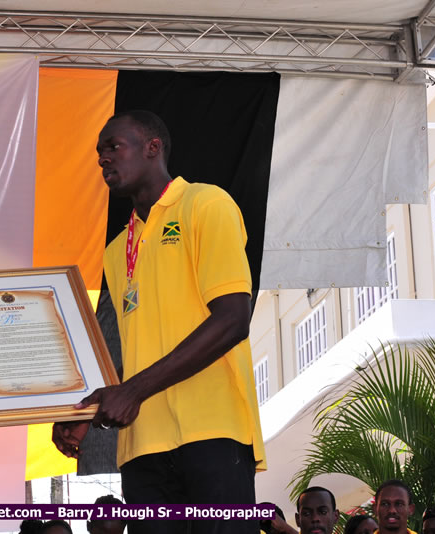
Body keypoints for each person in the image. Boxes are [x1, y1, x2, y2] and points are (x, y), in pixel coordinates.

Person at [52, 110, 265, 534]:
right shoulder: (117, 250)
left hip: (213, 431)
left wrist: (133, 390)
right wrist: (86, 408)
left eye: (113, 146)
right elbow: (132, 351)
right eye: (98, 153)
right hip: (141, 444)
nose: (103, 159)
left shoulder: (207, 203)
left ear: (154, 148)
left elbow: (232, 319)